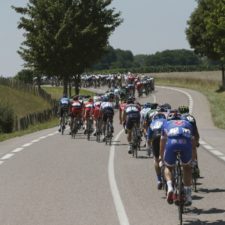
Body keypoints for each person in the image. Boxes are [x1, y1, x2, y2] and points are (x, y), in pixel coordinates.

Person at [159, 111, 197, 206]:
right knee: (187, 168)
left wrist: (162, 158)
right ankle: (188, 195)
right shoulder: (187, 123)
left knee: (168, 167)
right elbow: (193, 145)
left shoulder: (166, 124)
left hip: (171, 144)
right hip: (185, 144)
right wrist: (193, 160)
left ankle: (170, 187)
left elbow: (162, 144)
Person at [147, 112, 167, 189]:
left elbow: (149, 139)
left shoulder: (152, 123)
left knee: (156, 159)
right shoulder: (166, 121)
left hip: (155, 138)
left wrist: (148, 147)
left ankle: (159, 180)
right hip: (164, 137)